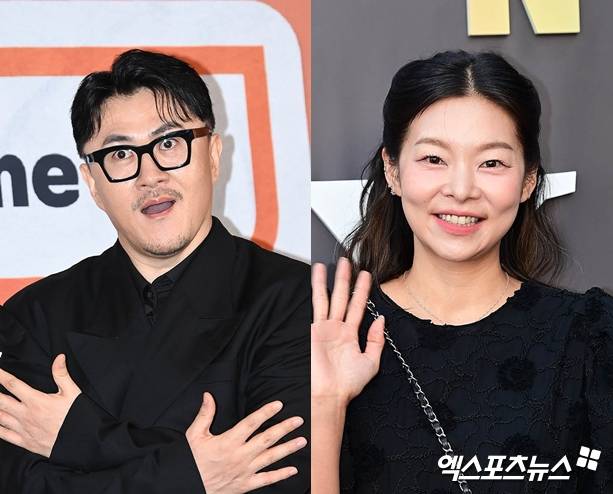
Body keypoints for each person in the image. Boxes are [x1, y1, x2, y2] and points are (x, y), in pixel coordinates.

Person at [0, 49, 309, 493]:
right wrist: (195, 475)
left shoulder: (295, 298)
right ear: (93, 184)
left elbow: (284, 478)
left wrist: (79, 437)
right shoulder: (35, 316)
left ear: (213, 155)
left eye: (168, 144)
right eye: (121, 154)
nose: (150, 176)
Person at [311, 50, 613, 493]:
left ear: (528, 180)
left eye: (492, 163)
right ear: (393, 170)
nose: (461, 189)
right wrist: (325, 404)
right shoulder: (330, 335)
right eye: (434, 159)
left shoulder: (589, 337)